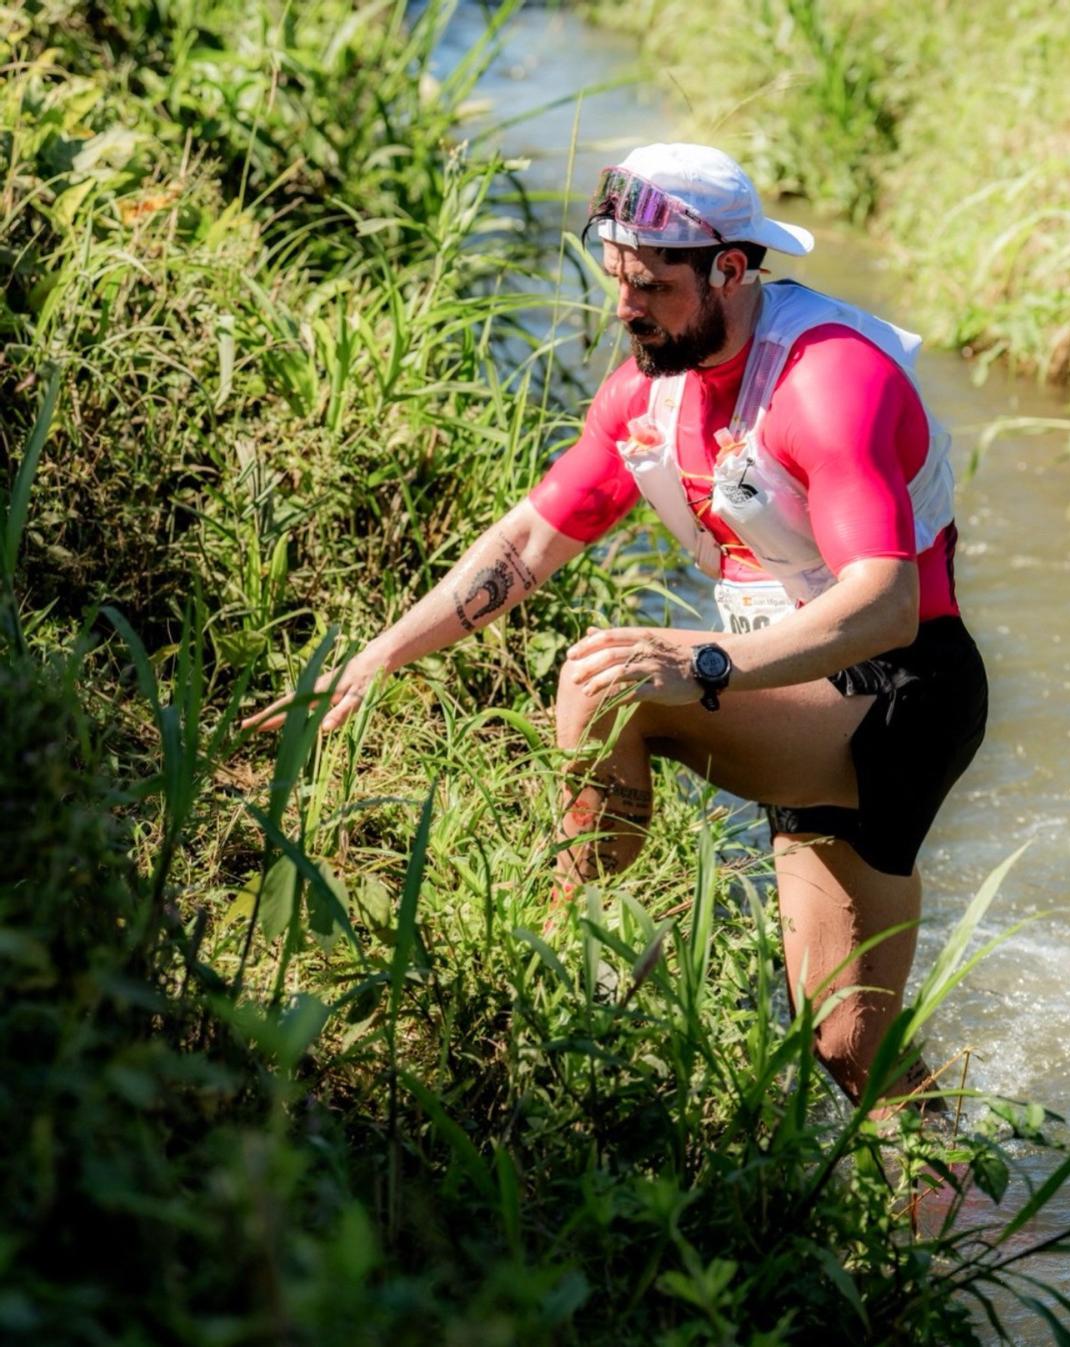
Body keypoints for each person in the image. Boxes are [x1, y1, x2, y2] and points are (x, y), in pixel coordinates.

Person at [246, 143, 987, 1111]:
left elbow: (885, 604)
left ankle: (554, 953)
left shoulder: (831, 379)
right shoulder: (651, 386)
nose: (626, 309)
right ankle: (965, 1215)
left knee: (611, 676)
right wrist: (377, 657)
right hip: (788, 685)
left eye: (650, 286)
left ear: (732, 266)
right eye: (615, 283)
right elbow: (528, 541)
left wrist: (711, 664)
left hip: (898, 692)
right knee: (846, 1046)